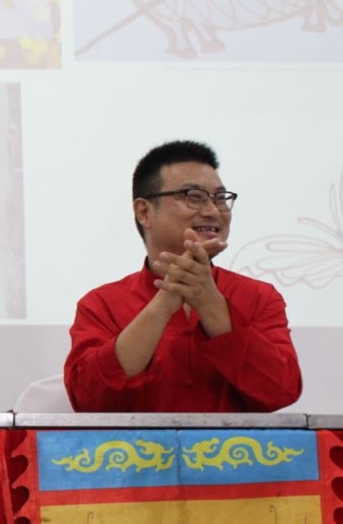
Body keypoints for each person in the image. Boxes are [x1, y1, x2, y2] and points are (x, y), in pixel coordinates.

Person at [64, 140, 301, 413]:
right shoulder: (101, 304)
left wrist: (211, 304)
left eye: (220, 198)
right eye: (193, 196)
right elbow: (88, 399)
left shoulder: (259, 297)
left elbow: (281, 391)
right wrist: (164, 303)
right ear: (144, 212)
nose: (213, 211)